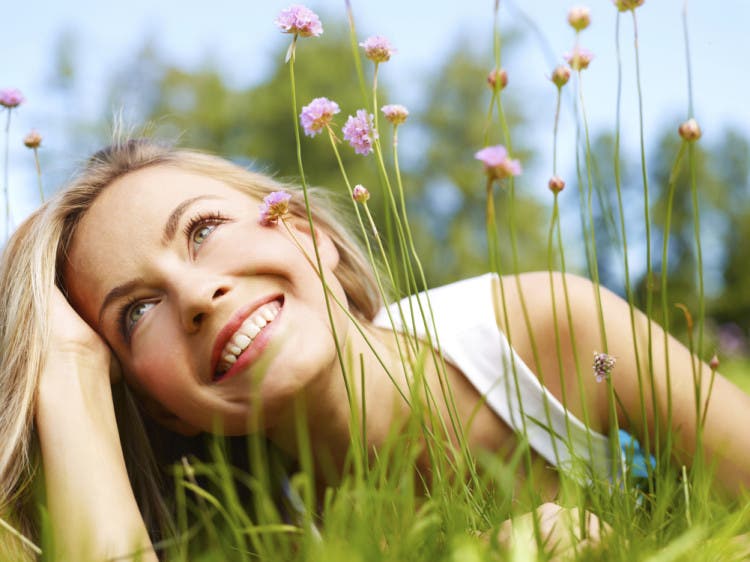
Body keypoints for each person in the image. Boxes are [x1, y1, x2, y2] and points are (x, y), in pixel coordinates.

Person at [0, 138, 748, 560]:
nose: (197, 297)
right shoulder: (257, 535)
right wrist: (64, 370)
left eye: (201, 230)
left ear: (309, 234)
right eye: (136, 312)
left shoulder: (549, 329)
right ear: (164, 409)